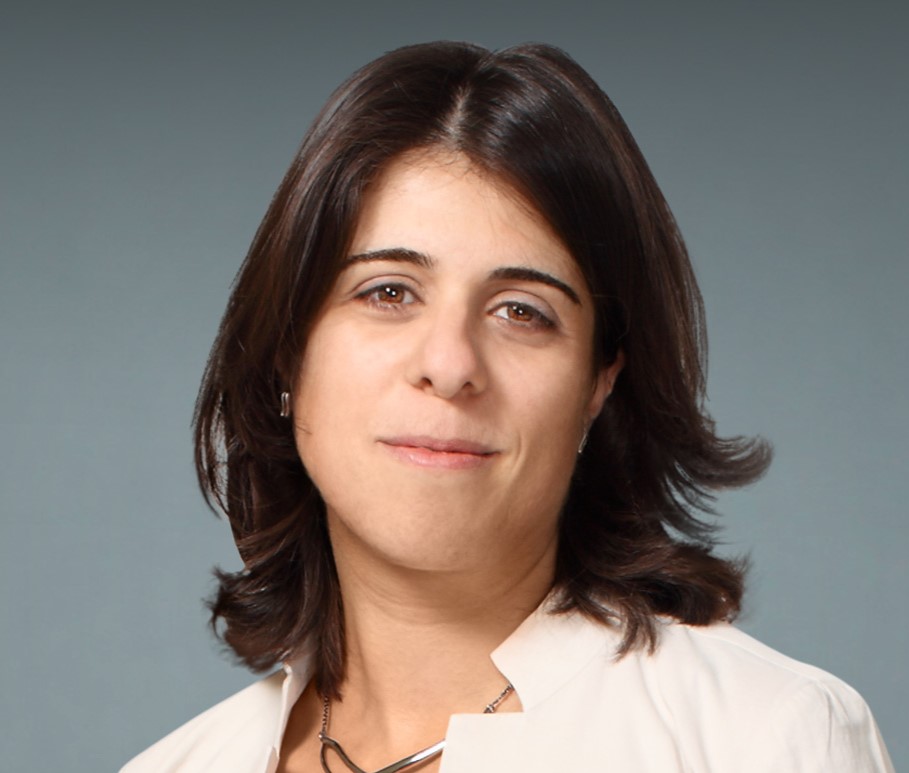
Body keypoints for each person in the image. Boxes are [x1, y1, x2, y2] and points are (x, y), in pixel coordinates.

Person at [122, 41, 893, 772]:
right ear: (288, 348)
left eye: (521, 310)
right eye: (388, 292)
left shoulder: (765, 736)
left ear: (599, 379)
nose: (450, 365)